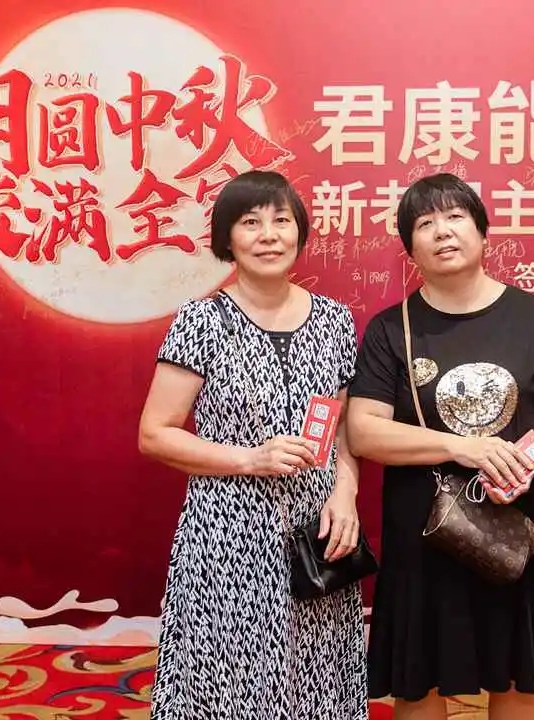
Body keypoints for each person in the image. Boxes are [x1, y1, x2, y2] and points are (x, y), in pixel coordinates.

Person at [347, 172, 534, 719]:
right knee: (418, 683)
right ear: (409, 249)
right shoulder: (392, 329)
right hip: (424, 529)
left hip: (514, 523)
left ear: (484, 233)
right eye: (425, 223)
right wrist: (463, 447)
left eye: (455, 217)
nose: (442, 231)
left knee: (516, 677)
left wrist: (524, 458)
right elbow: (364, 430)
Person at [138, 170, 368, 720]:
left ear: (299, 233)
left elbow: (340, 427)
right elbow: (155, 433)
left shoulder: (334, 320)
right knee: (229, 678)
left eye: (281, 221)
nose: (268, 235)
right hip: (227, 533)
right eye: (250, 222)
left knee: (315, 674)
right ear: (227, 238)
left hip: (316, 533)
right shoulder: (200, 320)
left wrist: (346, 493)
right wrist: (249, 458)